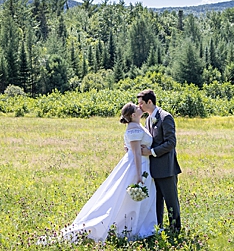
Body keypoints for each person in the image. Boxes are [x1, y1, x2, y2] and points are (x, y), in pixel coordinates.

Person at [53, 102, 158, 243]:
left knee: (139, 199)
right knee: (128, 198)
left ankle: (140, 226)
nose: (140, 108)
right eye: (137, 108)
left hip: (143, 164)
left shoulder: (138, 126)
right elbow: (137, 154)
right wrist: (139, 175)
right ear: (133, 115)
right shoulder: (134, 129)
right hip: (136, 167)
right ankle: (127, 228)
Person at [137, 89, 182, 233]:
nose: (139, 107)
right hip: (153, 169)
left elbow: (171, 143)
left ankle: (175, 230)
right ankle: (158, 228)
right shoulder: (148, 119)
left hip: (166, 168)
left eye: (141, 104)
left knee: (171, 202)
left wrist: (151, 152)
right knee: (156, 202)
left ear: (150, 102)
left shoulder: (165, 117)